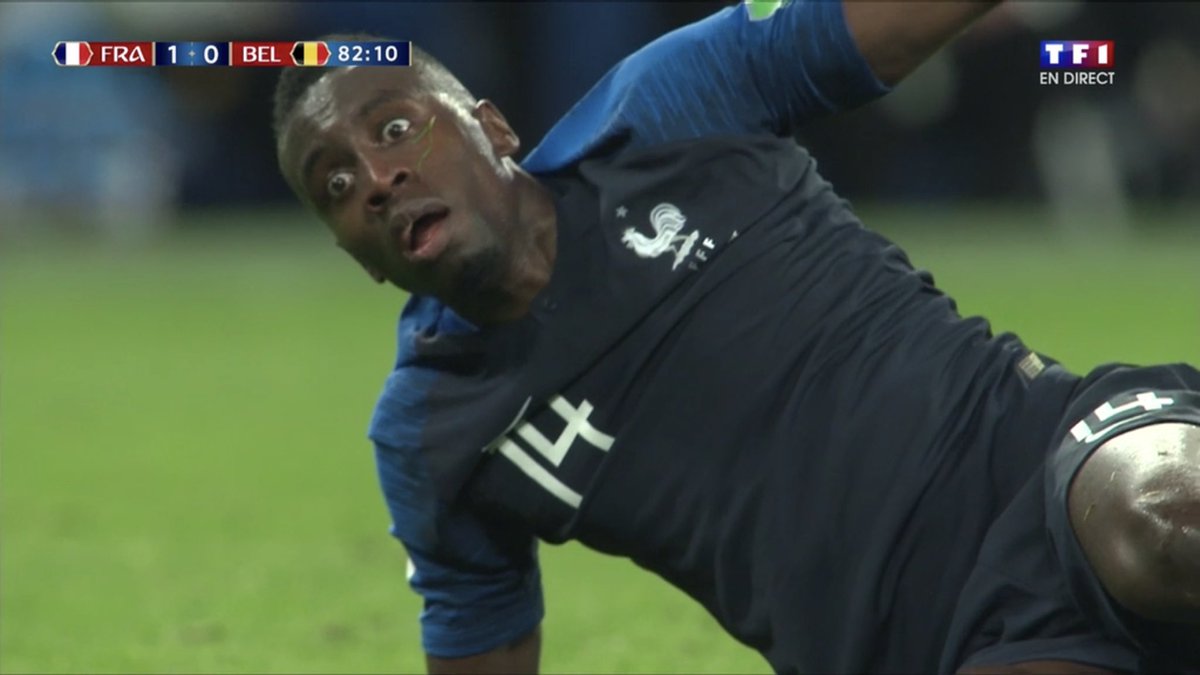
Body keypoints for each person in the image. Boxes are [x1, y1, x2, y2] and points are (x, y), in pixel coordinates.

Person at [271, 1, 1200, 672]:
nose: (378, 179)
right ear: (357, 257)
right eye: (337, 186)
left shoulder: (663, 112)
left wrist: (1089, 46)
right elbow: (482, 641)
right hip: (962, 643)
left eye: (397, 128)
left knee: (1162, 526)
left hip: (1056, 454)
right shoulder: (435, 430)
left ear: (493, 128)